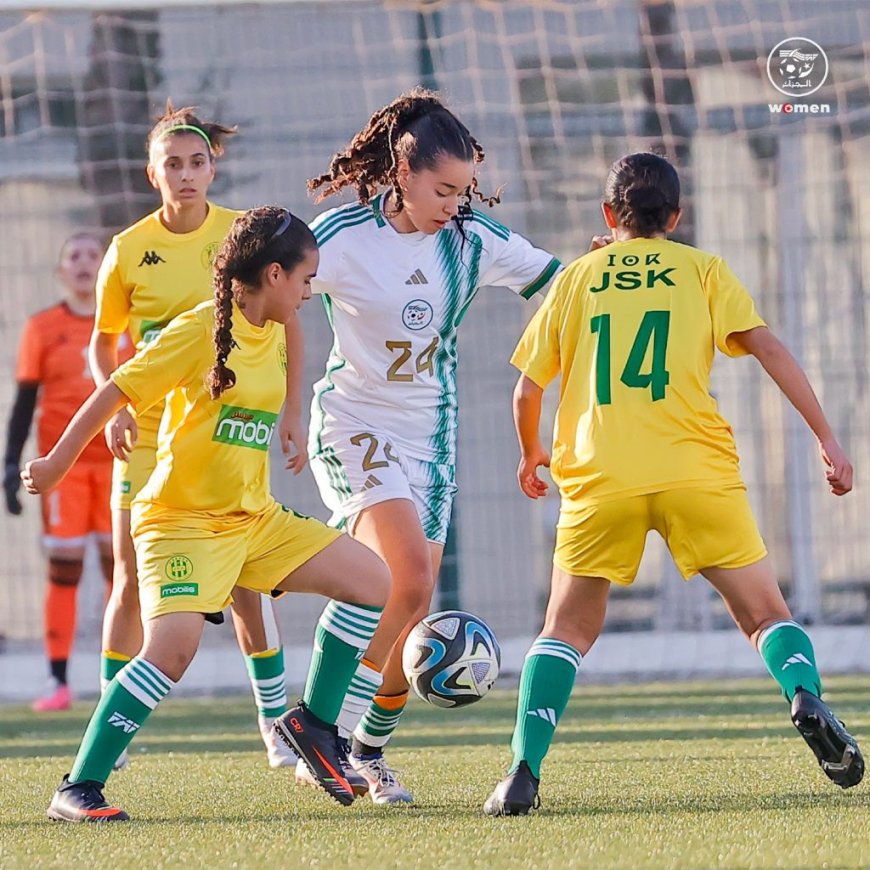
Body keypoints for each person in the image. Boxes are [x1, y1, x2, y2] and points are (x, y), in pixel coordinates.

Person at [483, 152, 865, 816]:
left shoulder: (577, 277)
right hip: (696, 471)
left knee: (567, 628)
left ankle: (522, 771)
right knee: (766, 614)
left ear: (608, 216)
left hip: (602, 475)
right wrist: (827, 439)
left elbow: (526, 388)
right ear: (678, 218)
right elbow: (771, 350)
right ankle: (802, 693)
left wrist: (531, 453)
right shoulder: (703, 270)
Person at [22, 206, 391, 822]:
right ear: (274, 275)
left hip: (254, 520)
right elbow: (116, 388)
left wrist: (295, 414)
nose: (308, 293)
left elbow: (294, 338)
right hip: (181, 521)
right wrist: (59, 461)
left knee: (373, 582)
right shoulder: (199, 331)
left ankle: (314, 726)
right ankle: (79, 787)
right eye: (305, 280)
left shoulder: (274, 322)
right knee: (171, 649)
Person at [299, 87, 562, 804]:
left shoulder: (473, 241)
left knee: (411, 609)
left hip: (431, 440)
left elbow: (559, 285)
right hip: (355, 424)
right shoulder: (343, 236)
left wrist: (609, 275)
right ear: (402, 172)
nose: (456, 202)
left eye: (466, 189)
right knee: (405, 577)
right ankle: (318, 728)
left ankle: (364, 750)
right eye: (444, 189)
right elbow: (271, 290)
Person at [90, 103, 296, 768]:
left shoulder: (243, 234)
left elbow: (289, 318)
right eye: (172, 164)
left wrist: (290, 413)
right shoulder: (127, 250)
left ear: (213, 167)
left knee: (245, 577)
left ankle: (273, 722)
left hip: (220, 431)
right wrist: (115, 408)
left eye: (197, 162)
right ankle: (108, 719)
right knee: (127, 575)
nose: (186, 174)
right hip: (146, 430)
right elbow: (103, 341)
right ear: (153, 174)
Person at [4, 234, 127, 711]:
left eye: (91, 255)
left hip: (120, 462)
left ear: (104, 269)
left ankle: (118, 677)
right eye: (72, 256)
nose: (82, 263)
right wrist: (9, 466)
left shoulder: (126, 329)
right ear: (60, 271)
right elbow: (24, 402)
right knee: (63, 570)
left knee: (121, 569)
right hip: (65, 470)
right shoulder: (41, 327)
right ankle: (57, 681)